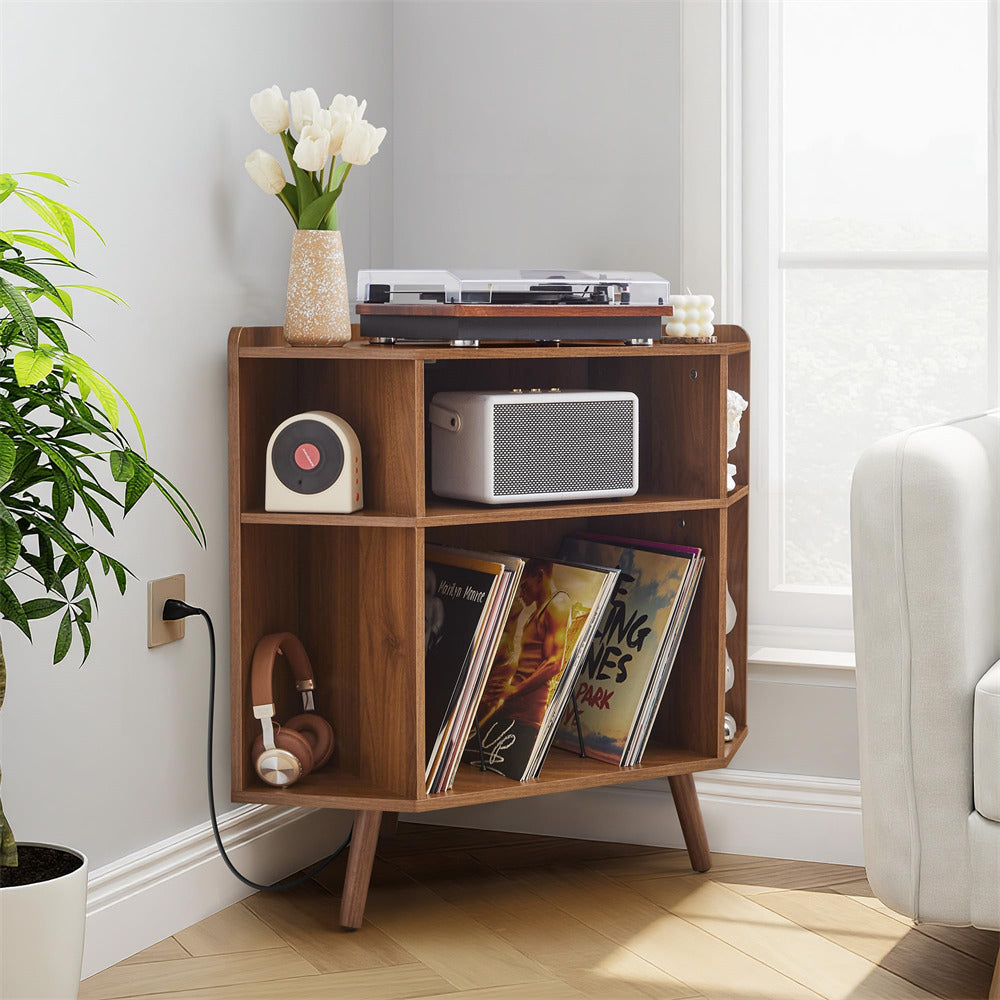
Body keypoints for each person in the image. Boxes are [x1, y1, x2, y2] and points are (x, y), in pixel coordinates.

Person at [479, 559, 571, 729]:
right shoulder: (537, 612)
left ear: (539, 576)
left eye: (523, 584)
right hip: (511, 707)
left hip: (526, 715)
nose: (521, 592)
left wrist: (513, 691)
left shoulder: (557, 603)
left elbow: (554, 664)